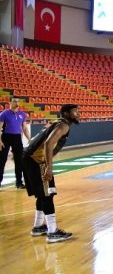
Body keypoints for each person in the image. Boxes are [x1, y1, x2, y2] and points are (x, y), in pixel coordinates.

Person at [23, 104, 81, 243]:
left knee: (42, 194)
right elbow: (48, 144)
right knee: (48, 195)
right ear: (66, 114)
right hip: (37, 161)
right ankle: (52, 232)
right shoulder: (63, 126)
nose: (78, 114)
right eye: (75, 112)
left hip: (29, 158)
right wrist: (49, 167)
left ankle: (38, 227)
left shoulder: (57, 123)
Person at [0, 98, 31, 188]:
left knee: (19, 161)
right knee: (2, 161)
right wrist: (0, 141)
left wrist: (29, 138)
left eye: (18, 101)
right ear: (10, 103)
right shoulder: (4, 114)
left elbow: (24, 128)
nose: (17, 103)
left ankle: (19, 182)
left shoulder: (22, 114)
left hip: (17, 138)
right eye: (14, 101)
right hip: (6, 137)